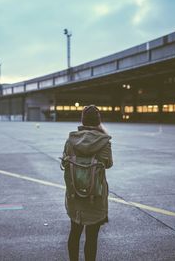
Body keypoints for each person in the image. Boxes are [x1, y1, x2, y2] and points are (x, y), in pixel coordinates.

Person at [61, 105, 113, 261]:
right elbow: (108, 163)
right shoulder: (104, 141)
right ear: (98, 121)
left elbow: (65, 163)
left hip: (74, 193)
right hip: (95, 196)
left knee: (74, 233)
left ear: (82, 120)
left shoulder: (71, 140)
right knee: (92, 238)